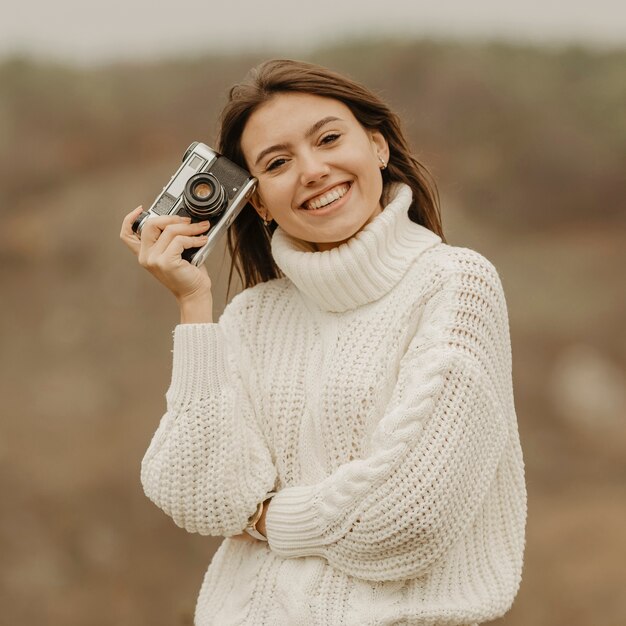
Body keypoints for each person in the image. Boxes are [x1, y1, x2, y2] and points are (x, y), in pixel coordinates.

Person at [120, 59, 527, 626]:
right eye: (278, 163)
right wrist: (194, 306)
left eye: (329, 138)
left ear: (378, 146)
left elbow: (409, 519)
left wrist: (265, 519)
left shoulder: (455, 285)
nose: (312, 170)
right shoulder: (251, 318)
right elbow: (198, 494)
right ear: (257, 201)